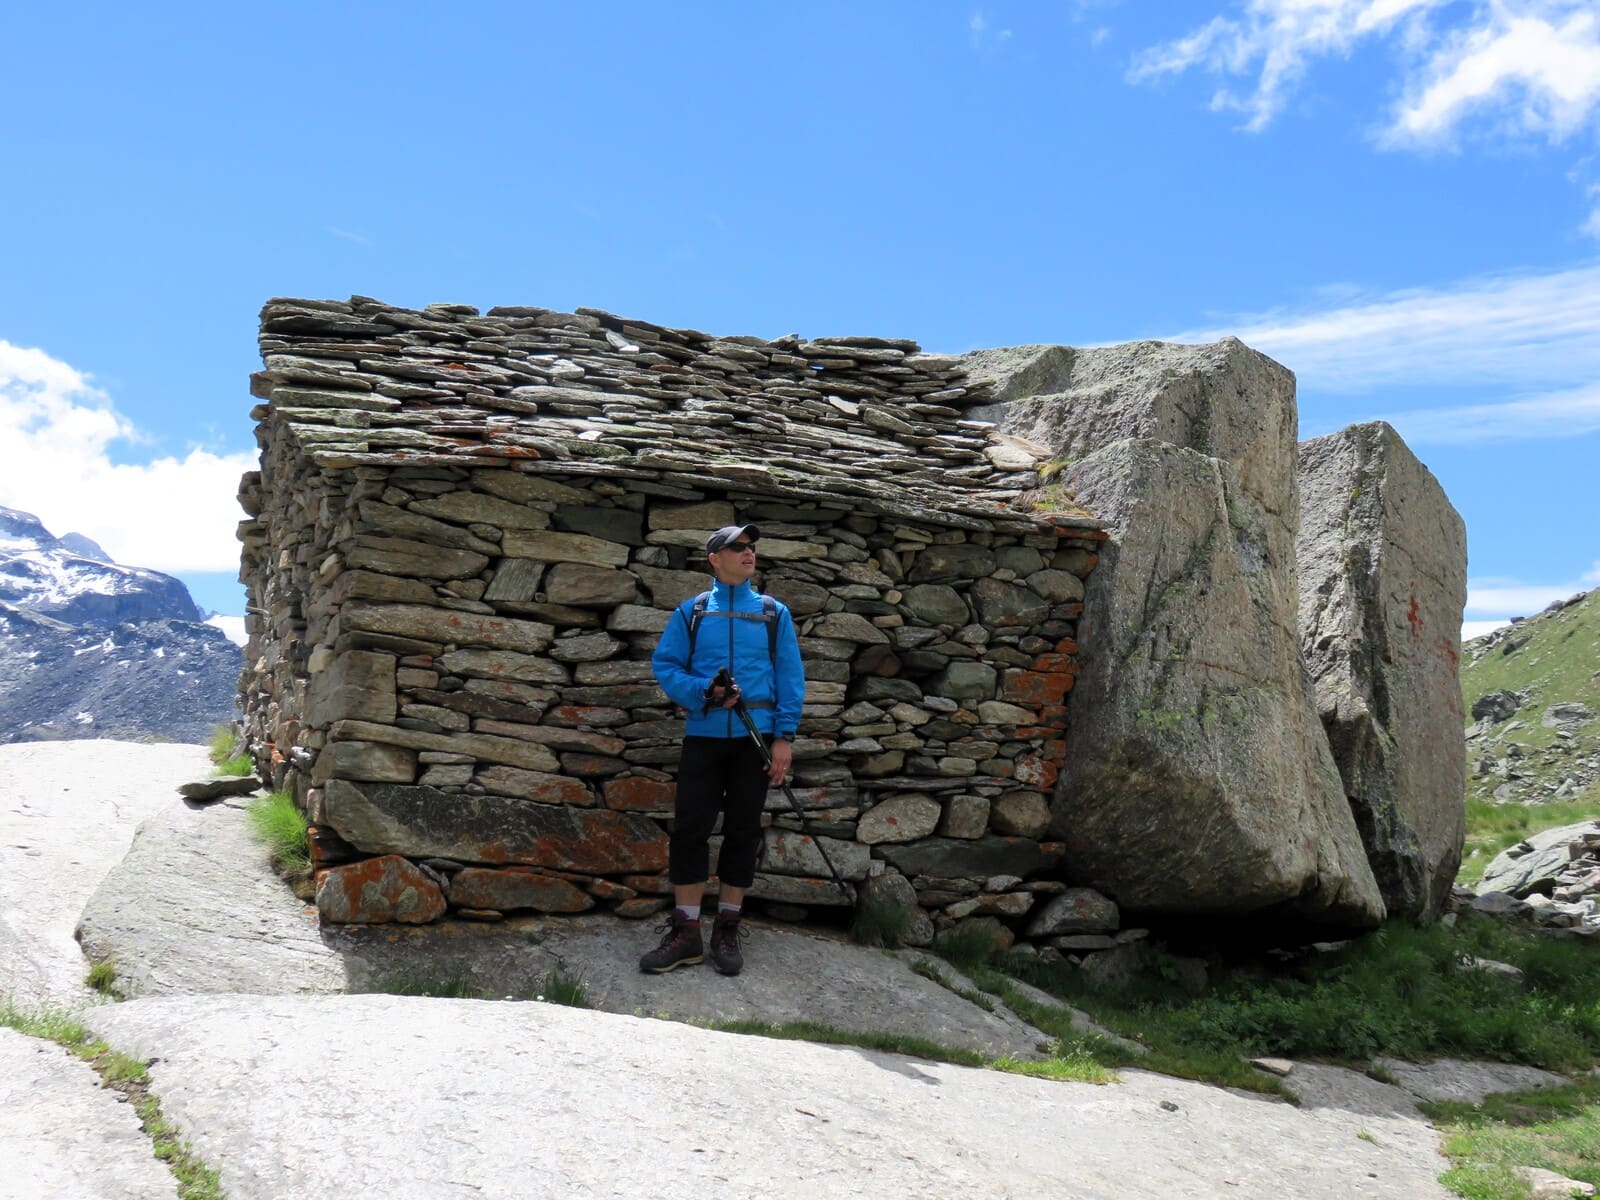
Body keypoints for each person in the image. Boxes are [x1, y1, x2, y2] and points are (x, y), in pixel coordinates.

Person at [641, 523, 805, 976]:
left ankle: (727, 928)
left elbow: (790, 677)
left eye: (751, 547)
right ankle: (687, 932)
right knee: (691, 829)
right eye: (737, 548)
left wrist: (784, 736)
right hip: (705, 736)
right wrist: (705, 692)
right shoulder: (692, 612)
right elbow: (666, 666)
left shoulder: (774, 613)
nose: (748, 553)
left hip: (755, 740)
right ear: (714, 558)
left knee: (743, 831)